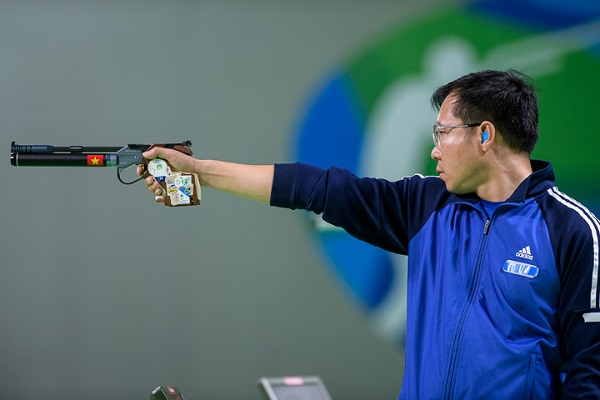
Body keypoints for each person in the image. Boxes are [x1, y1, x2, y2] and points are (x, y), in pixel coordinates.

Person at [139, 70, 600, 399]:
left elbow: (590, 371)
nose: (434, 149)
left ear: (484, 135)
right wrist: (201, 171)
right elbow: (314, 187)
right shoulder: (425, 205)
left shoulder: (572, 230)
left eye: (442, 132)